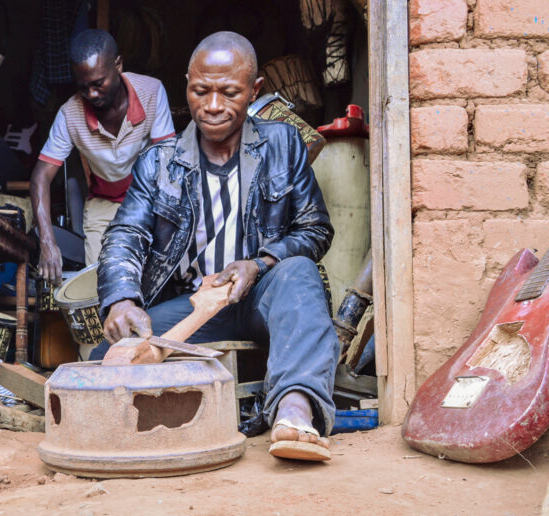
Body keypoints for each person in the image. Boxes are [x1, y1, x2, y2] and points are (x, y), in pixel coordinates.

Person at [94, 31, 338, 461]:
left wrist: (260, 264)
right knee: (107, 358)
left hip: (266, 293)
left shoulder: (283, 145)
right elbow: (125, 234)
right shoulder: (160, 162)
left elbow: (315, 230)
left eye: (229, 92)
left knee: (298, 272)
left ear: (255, 90)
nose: (212, 106)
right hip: (196, 305)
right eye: (200, 90)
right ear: (186, 84)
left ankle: (295, 412)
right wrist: (121, 298)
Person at [30, 29, 175, 283]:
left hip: (147, 199)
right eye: (83, 87)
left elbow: (167, 162)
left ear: (118, 65)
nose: (92, 94)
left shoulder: (151, 92)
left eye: (98, 83)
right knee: (99, 287)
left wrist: (164, 223)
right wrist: (47, 242)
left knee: (151, 282)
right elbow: (41, 176)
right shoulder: (70, 114)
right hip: (102, 203)